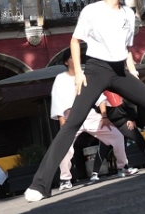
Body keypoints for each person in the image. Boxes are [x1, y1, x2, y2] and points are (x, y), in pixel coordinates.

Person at [24, 0, 145, 202]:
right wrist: (79, 74)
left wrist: (132, 69)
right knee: (72, 123)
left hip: (120, 71)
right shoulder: (91, 11)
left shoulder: (128, 13)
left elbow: (125, 48)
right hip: (96, 70)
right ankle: (39, 185)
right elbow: (75, 40)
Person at [50, 49, 132, 192]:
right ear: (65, 62)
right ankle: (65, 179)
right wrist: (62, 121)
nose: (75, 60)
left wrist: (105, 117)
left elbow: (99, 96)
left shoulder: (85, 75)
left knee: (117, 135)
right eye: (71, 58)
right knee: (64, 147)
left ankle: (122, 167)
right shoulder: (60, 79)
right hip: (70, 117)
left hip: (89, 114)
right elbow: (57, 101)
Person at [89, 91, 145, 182]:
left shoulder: (121, 92)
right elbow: (96, 112)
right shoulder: (100, 97)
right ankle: (95, 173)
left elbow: (131, 106)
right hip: (110, 125)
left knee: (139, 138)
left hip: (123, 122)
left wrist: (132, 119)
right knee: (103, 147)